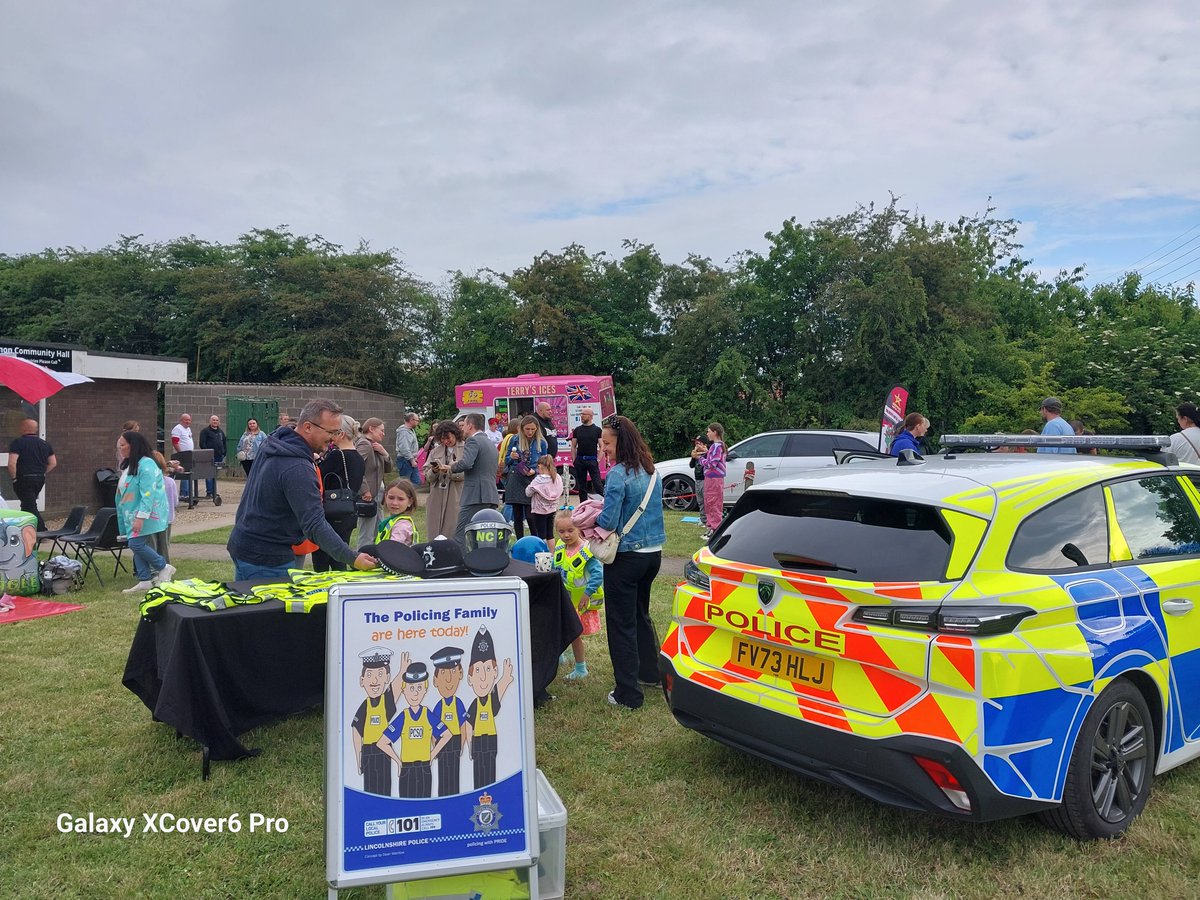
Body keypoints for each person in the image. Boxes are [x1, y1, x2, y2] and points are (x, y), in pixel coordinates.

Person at [227, 399, 377, 581]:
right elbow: (314, 524)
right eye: (331, 432)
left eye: (337, 432)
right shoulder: (297, 467)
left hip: (245, 544)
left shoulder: (275, 443)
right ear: (307, 427)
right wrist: (353, 558)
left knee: (249, 607)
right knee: (268, 610)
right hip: (267, 558)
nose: (334, 437)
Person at [597, 414, 666, 710]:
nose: (603, 449)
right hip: (653, 555)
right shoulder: (652, 471)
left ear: (620, 443)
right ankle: (651, 673)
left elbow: (609, 520)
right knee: (640, 615)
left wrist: (590, 516)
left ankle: (628, 694)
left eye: (607, 443)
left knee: (621, 624)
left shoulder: (617, 474)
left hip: (626, 559)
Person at [116, 429, 176, 594]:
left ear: (132, 446)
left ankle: (163, 567)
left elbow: (148, 493)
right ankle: (144, 580)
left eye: (122, 445)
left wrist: (141, 516)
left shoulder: (147, 464)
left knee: (136, 543)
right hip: (132, 514)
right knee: (135, 545)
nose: (120, 448)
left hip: (145, 514)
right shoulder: (130, 465)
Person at [554, 508, 604, 682]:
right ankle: (562, 654)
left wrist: (587, 594)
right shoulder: (560, 547)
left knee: (575, 635)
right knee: (560, 628)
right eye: (561, 531)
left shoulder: (586, 551)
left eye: (570, 530)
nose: (566, 535)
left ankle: (581, 668)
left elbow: (598, 575)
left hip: (579, 603)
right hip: (564, 599)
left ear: (579, 529)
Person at [312, 415, 366, 572]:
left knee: (321, 558)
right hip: (349, 511)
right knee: (340, 556)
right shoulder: (358, 457)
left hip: (331, 511)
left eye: (332, 432)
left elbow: (319, 475)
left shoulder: (337, 455)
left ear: (341, 433)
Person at [449, 413, 500, 545]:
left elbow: (466, 463)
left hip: (475, 495)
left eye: (464, 425)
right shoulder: (489, 443)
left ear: (470, 425)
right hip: (490, 495)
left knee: (462, 534)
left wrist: (450, 467)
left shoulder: (473, 441)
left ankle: (462, 564)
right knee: (484, 537)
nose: (462, 428)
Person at [503, 416, 548, 540]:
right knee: (517, 515)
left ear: (537, 429)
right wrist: (511, 457)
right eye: (527, 429)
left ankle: (535, 541)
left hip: (533, 478)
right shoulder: (515, 439)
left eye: (533, 429)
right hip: (516, 477)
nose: (530, 432)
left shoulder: (542, 443)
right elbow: (506, 460)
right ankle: (519, 541)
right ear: (522, 429)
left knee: (530, 515)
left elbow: (545, 464)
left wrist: (536, 470)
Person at [7, 418, 56, 531]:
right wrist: (42, 472)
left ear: (24, 428)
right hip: (39, 479)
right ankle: (25, 529)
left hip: (23, 478)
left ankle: (42, 531)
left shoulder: (18, 443)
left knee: (30, 505)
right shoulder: (44, 444)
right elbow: (53, 463)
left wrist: (14, 478)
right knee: (26, 504)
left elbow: (11, 463)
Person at [425, 420, 465, 540]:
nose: (445, 441)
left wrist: (450, 470)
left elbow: (469, 472)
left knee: (452, 529)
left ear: (455, 434)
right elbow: (427, 475)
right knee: (434, 529)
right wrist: (435, 471)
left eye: (448, 438)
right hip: (437, 495)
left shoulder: (466, 448)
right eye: (442, 439)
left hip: (456, 494)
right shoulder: (435, 451)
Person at [355, 417, 391, 545]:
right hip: (369, 496)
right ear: (371, 429)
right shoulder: (365, 444)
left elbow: (388, 469)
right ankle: (362, 559)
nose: (383, 433)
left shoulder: (375, 446)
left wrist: (384, 453)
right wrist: (365, 491)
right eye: (381, 430)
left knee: (379, 529)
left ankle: (376, 556)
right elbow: (355, 468)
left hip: (377, 495)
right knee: (367, 532)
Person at [694, 422, 727, 536]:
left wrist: (699, 459)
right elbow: (712, 457)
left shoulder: (717, 446)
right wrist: (706, 452)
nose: (707, 433)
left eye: (708, 431)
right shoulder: (715, 446)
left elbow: (712, 463)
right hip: (711, 478)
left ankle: (715, 528)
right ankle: (710, 526)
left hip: (714, 478)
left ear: (715, 432)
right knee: (709, 502)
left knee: (714, 503)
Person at [571, 408, 604, 503]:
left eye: (584, 414)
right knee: (582, 486)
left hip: (592, 460)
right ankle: (583, 505)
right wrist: (574, 459)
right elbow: (573, 446)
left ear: (590, 416)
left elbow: (602, 446)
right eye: (581, 414)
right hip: (580, 460)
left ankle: (603, 502)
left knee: (597, 484)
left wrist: (598, 459)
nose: (582, 416)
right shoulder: (577, 430)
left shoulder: (597, 430)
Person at [525, 454, 562, 540]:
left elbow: (528, 493)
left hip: (539, 510)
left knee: (541, 535)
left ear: (539, 466)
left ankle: (542, 552)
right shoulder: (557, 478)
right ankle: (551, 552)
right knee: (550, 535)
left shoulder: (539, 480)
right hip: (552, 509)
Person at [376, 478, 419, 544]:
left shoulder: (402, 526)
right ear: (385, 497)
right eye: (391, 498)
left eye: (400, 499)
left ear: (410, 501)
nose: (394, 503)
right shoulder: (393, 521)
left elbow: (392, 549)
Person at [198, 415, 227, 498]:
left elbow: (224, 442)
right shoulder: (205, 431)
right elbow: (202, 444)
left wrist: (224, 452)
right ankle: (209, 492)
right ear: (210, 421)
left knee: (215, 475)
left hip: (219, 457)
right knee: (209, 475)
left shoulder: (221, 432)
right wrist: (207, 453)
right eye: (213, 420)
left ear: (219, 422)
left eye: (216, 420)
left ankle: (214, 491)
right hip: (209, 457)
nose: (215, 422)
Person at [171, 413, 195, 499]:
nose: (188, 422)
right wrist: (181, 453)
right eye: (186, 420)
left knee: (189, 473)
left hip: (189, 455)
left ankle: (188, 492)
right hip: (182, 455)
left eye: (189, 420)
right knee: (184, 473)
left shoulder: (188, 429)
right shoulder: (177, 429)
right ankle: (183, 493)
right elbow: (175, 442)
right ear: (181, 420)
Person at [395, 412, 422, 486]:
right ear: (411, 420)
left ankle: (408, 496)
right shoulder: (404, 432)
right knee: (405, 484)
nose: (418, 422)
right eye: (417, 420)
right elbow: (404, 448)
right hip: (405, 460)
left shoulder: (410, 430)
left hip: (409, 459)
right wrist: (412, 460)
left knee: (416, 481)